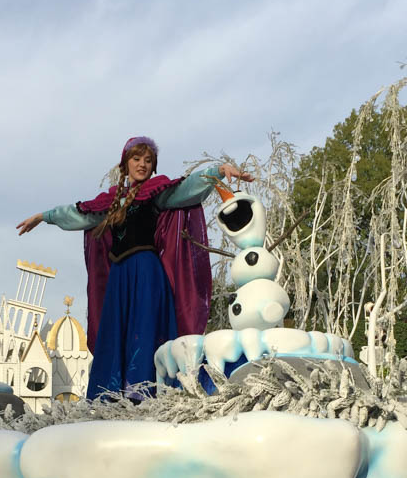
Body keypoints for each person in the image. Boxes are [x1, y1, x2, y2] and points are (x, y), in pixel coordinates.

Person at [17, 136, 252, 397]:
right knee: (116, 335)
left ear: (153, 167)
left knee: (145, 332)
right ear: (125, 164)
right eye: (136, 159)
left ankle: (144, 395)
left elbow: (188, 188)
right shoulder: (109, 203)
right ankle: (109, 397)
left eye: (148, 160)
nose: (142, 164)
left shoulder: (157, 193)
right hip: (120, 277)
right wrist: (43, 216)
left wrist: (218, 171)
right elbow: (77, 214)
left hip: (146, 274)